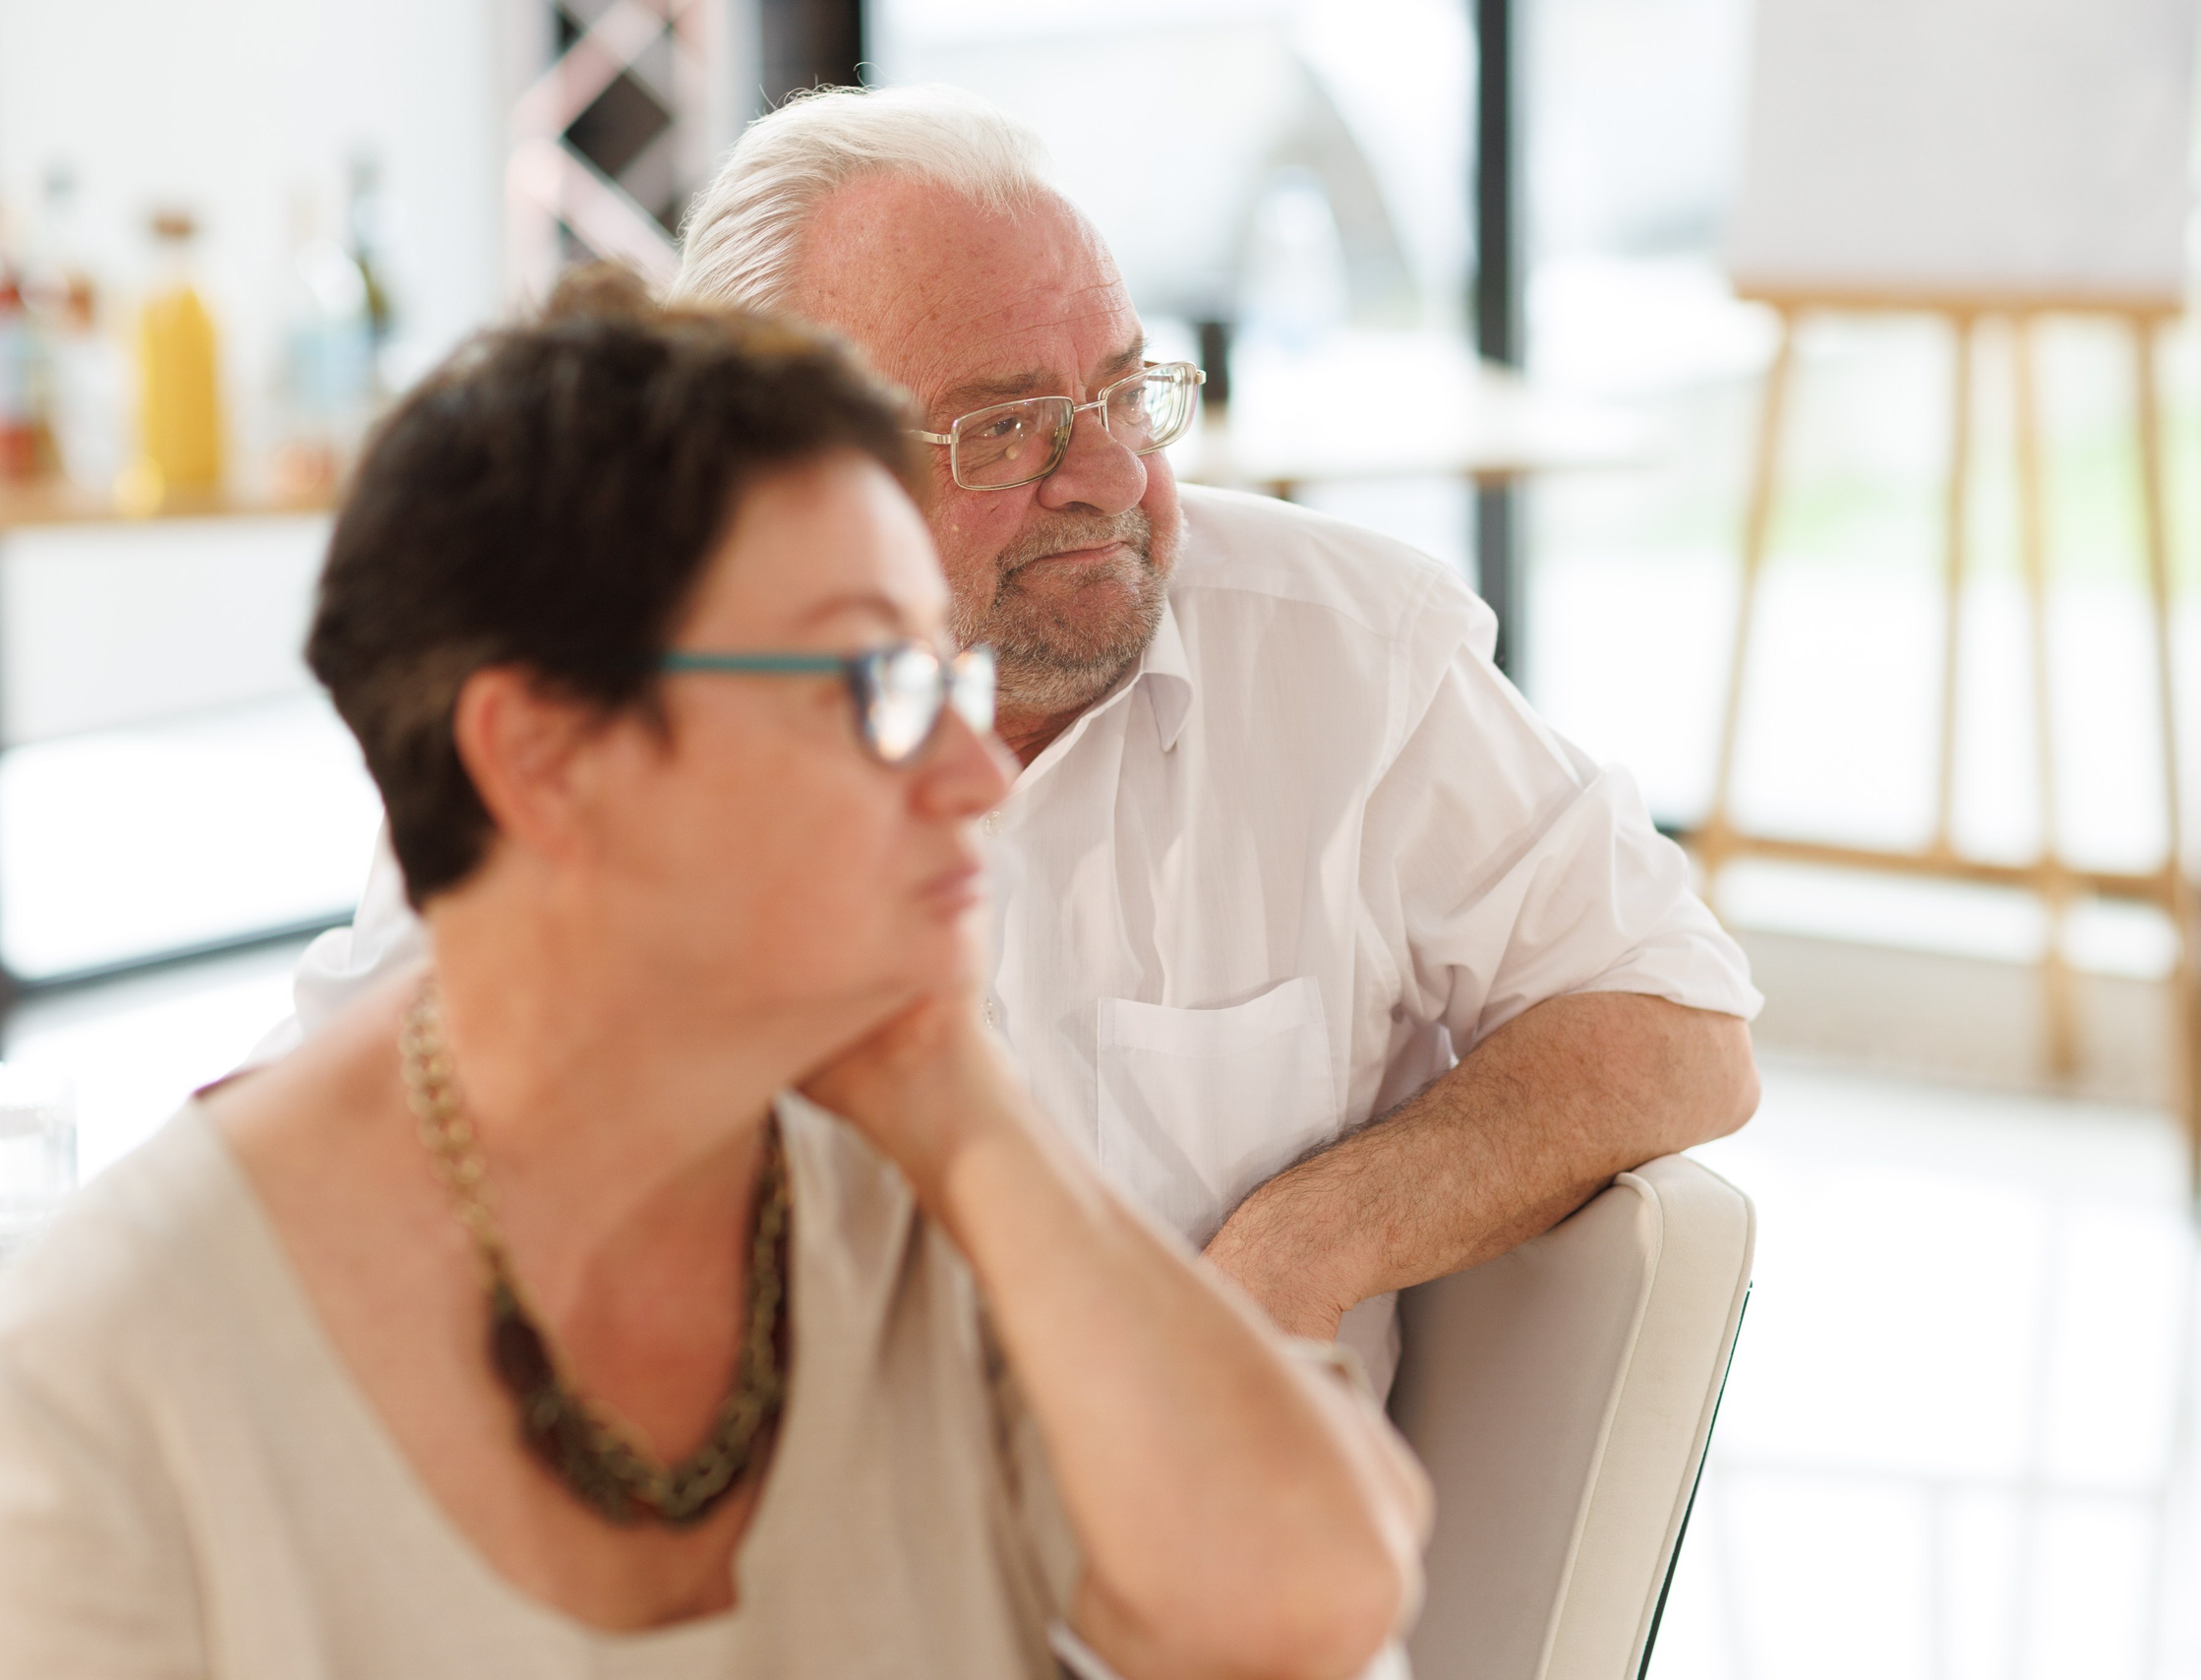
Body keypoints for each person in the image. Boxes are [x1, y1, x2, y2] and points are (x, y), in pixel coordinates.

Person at [0, 288, 1426, 1677]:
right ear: (542, 758)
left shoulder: (906, 1193)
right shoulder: (108, 1391)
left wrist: (963, 1110)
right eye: (874, 686)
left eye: (947, 680)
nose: (975, 773)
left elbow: (1312, 1606)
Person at [280, 84, 1764, 1396]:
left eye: (1125, 390)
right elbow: (332, 1169)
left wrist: (1302, 1245)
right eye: (1002, 429)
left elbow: (1677, 1022)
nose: (1112, 475)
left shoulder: (1342, 653)